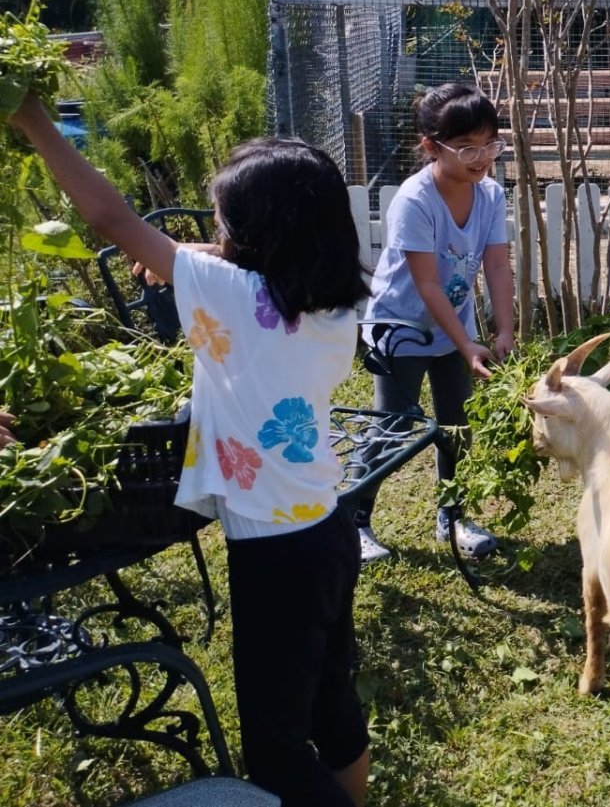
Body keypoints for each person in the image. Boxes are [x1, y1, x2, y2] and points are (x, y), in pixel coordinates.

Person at [9, 95, 371, 807]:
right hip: (328, 530)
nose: (212, 234)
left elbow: (111, 220)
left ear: (253, 239)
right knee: (333, 701)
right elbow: (260, 282)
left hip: (273, 553)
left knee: (274, 750)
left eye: (221, 225)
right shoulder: (332, 304)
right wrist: (207, 257)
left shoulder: (232, 294)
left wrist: (32, 120)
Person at [356, 81, 515, 563]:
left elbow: (498, 265)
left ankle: (453, 515)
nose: (481, 156)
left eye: (489, 143)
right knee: (395, 424)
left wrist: (503, 330)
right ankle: (353, 520)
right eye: (467, 147)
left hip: (454, 329)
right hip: (399, 327)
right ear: (431, 147)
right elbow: (425, 284)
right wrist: (467, 345)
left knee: (457, 425)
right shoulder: (415, 199)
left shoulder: (488, 195)